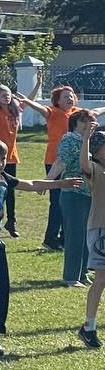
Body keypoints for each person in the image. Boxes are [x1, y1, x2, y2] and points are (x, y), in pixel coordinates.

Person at [0, 138, 80, 358]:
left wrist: (60, 184)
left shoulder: (5, 179)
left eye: (3, 159)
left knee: (1, 289)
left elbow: (32, 184)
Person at [15, 80, 105, 251]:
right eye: (65, 96)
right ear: (57, 100)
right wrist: (28, 102)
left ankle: (64, 238)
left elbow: (96, 111)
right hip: (54, 162)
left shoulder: (79, 114)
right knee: (57, 202)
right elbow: (39, 108)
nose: (70, 98)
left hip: (77, 165)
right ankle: (51, 239)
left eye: (71, 95)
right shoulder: (53, 112)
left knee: (73, 206)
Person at [48, 111, 98, 287]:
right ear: (75, 124)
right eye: (84, 121)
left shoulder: (93, 141)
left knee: (87, 236)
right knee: (75, 235)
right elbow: (61, 161)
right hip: (73, 193)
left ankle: (83, 273)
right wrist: (47, 182)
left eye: (91, 121)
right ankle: (71, 276)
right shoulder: (70, 139)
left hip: (90, 193)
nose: (88, 125)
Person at [75, 130, 105, 348]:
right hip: (100, 229)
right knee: (101, 279)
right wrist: (85, 139)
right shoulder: (95, 168)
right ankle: (89, 327)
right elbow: (84, 164)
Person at [0, 83, 24, 238]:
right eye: (3, 95)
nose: (7, 97)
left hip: (11, 157)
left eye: (8, 94)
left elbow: (28, 102)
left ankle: (11, 222)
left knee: (10, 190)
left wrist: (38, 84)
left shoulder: (14, 111)